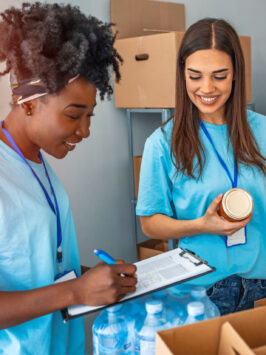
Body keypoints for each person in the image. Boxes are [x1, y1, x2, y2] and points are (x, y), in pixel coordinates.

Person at [0, 2, 137, 354]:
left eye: (89, 115)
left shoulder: (34, 162)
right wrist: (76, 292)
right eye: (74, 115)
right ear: (27, 103)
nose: (85, 130)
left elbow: (37, 263)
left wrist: (94, 278)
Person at [136, 18, 266, 315]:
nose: (206, 88)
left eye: (220, 76)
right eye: (195, 76)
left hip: (262, 284)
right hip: (199, 292)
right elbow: (149, 222)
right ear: (182, 75)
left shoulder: (263, 132)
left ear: (236, 75)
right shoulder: (161, 143)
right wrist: (202, 225)